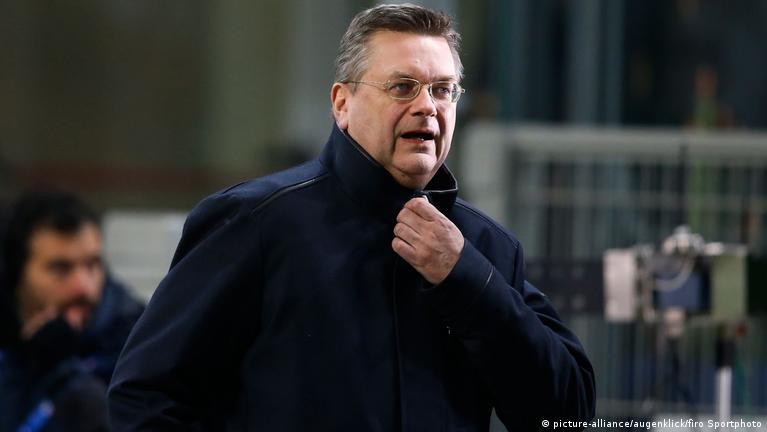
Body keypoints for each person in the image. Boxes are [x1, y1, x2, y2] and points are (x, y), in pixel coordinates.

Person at [108, 4, 596, 431]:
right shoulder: (255, 223)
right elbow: (146, 395)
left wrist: (468, 281)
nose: (427, 107)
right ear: (342, 103)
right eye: (403, 87)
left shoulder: (483, 249)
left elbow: (565, 413)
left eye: (443, 90)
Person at [0, 190, 144, 432]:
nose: (83, 287)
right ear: (18, 274)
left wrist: (65, 371)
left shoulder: (136, 346)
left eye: (92, 264)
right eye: (61, 268)